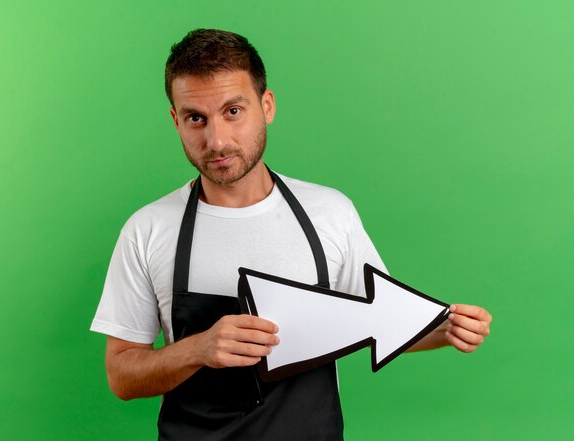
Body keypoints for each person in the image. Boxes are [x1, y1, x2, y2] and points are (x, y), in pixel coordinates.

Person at [91, 29, 492, 440]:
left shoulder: (329, 213)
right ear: (176, 121)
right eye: (197, 118)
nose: (217, 140)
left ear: (266, 106)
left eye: (233, 111)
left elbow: (379, 322)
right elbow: (122, 376)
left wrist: (445, 329)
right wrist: (199, 349)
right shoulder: (148, 229)